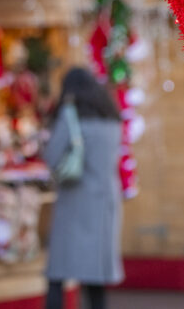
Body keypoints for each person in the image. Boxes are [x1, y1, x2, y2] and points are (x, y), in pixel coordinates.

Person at [43, 67, 125, 309]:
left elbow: (52, 156)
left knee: (57, 272)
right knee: (95, 276)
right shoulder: (112, 118)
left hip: (76, 201)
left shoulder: (71, 117)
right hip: (106, 201)